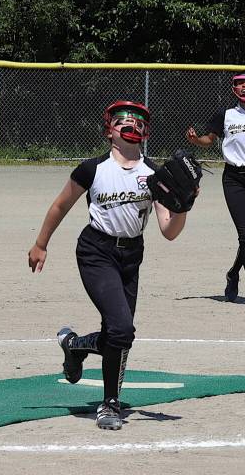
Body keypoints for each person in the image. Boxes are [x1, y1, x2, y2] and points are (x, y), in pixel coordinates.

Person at [27, 101, 191, 430]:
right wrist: (41, 243)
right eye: (122, 120)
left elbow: (169, 230)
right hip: (95, 251)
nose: (130, 125)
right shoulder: (93, 168)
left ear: (147, 132)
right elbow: (60, 205)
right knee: (122, 330)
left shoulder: (155, 176)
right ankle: (109, 404)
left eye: (138, 121)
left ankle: (73, 346)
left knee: (119, 334)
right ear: (109, 129)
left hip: (131, 256)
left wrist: (184, 204)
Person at [185, 72, 245, 306]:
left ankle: (232, 273)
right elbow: (210, 139)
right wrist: (196, 141)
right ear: (234, 88)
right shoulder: (226, 114)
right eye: (241, 83)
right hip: (234, 179)